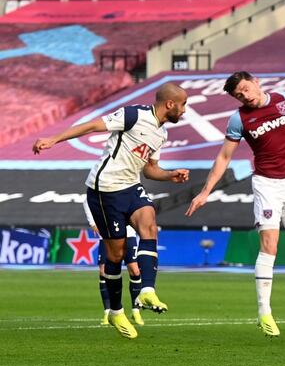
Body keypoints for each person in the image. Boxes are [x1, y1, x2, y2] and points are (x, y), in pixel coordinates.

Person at [33, 83, 190, 339]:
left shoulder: (161, 134)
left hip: (130, 187)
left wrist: (170, 175)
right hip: (104, 189)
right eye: (183, 105)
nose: (184, 110)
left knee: (149, 221)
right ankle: (116, 311)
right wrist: (53, 139)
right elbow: (93, 125)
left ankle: (147, 290)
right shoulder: (134, 115)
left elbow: (150, 169)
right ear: (170, 104)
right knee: (115, 255)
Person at [186, 71, 285, 341]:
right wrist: (205, 191)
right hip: (267, 185)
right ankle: (264, 311)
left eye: (245, 89)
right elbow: (223, 157)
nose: (244, 96)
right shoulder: (239, 119)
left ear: (256, 82)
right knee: (270, 246)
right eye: (238, 95)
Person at [83, 199, 142, 326]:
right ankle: (107, 311)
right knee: (104, 271)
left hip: (129, 233)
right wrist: (93, 223)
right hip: (108, 234)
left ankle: (136, 310)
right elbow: (87, 201)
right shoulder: (104, 187)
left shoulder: (129, 187)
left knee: (135, 270)